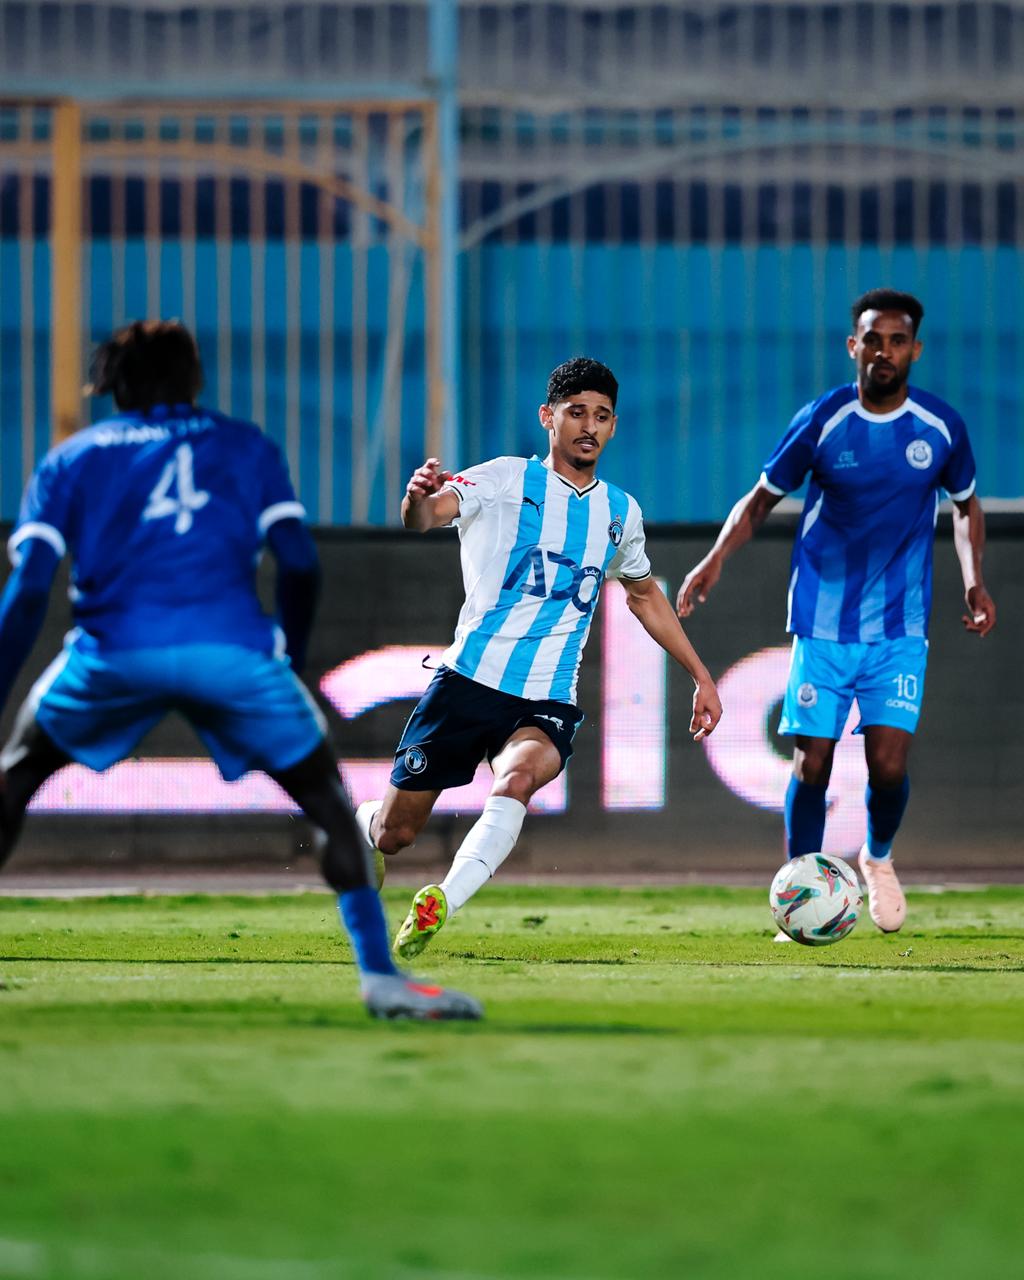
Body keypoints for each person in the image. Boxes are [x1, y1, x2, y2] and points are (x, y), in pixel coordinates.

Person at [0, 320, 480, 1020]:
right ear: (193, 379)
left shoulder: (71, 458)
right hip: (233, 655)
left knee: (15, 776)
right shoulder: (245, 445)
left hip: (111, 653)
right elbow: (300, 563)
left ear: (113, 386)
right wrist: (289, 658)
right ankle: (381, 979)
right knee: (326, 802)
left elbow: (27, 589)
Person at [354, 356, 723, 959]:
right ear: (548, 417)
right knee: (396, 834)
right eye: (576, 412)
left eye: (601, 416)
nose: (589, 426)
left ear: (613, 426)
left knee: (519, 779)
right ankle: (365, 823)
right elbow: (427, 516)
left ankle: (442, 900)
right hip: (467, 682)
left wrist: (701, 675)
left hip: (546, 695)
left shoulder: (620, 513)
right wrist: (416, 498)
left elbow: (642, 593)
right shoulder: (505, 479)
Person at [676, 289, 996, 936]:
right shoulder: (824, 419)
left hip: (900, 627)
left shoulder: (940, 427)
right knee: (812, 763)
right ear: (854, 346)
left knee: (889, 766)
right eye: (873, 339)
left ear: (915, 350)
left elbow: (966, 506)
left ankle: (877, 856)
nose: (884, 352)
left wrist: (974, 580)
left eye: (897, 341)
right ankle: (799, 891)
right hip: (823, 624)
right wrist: (713, 560)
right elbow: (761, 498)